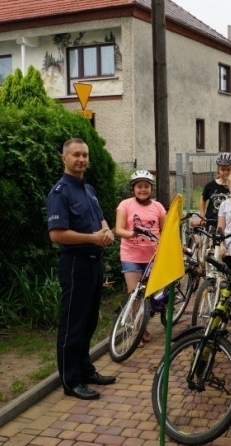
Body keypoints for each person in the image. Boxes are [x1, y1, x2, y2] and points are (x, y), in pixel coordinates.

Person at [46, 138, 117, 400]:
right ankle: (71, 381)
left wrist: (107, 230)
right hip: (76, 264)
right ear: (64, 158)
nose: (82, 160)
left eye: (85, 155)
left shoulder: (87, 189)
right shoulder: (60, 193)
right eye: (76, 155)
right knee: (73, 324)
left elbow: (100, 218)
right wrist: (92, 239)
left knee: (89, 321)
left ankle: (85, 370)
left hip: (94, 263)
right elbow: (57, 234)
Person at [114, 170, 166, 345]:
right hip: (131, 255)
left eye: (146, 186)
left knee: (150, 296)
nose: (143, 190)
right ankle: (137, 331)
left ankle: (142, 325)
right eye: (139, 186)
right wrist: (132, 233)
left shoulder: (158, 207)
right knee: (134, 295)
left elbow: (165, 230)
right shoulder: (125, 205)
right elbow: (118, 229)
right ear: (133, 189)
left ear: (151, 189)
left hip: (152, 257)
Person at [196, 152, 231, 228]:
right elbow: (203, 199)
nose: (225, 172)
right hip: (211, 222)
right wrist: (202, 215)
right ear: (218, 170)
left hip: (229, 222)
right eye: (223, 170)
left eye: (228, 170)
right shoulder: (210, 185)